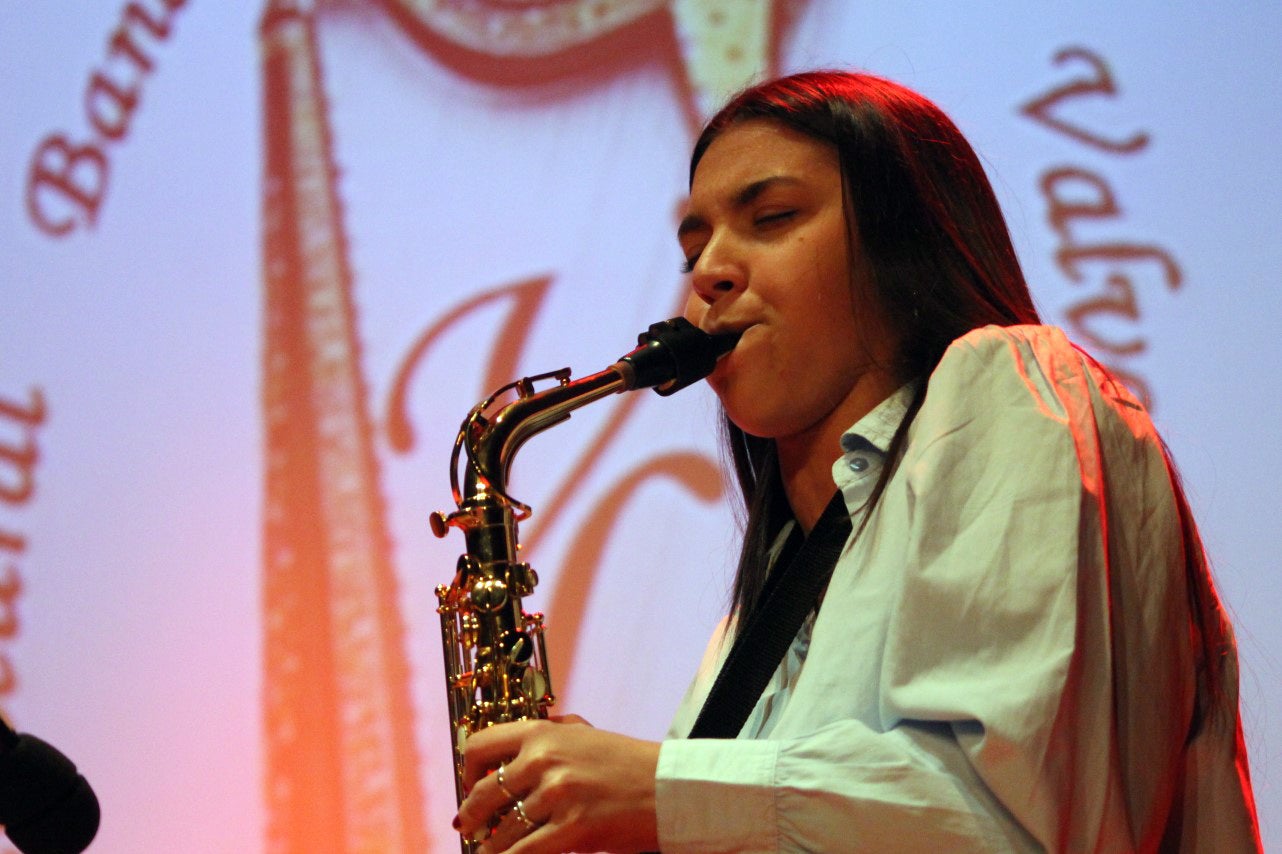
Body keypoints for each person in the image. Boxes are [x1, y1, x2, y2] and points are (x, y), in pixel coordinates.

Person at [454, 70, 1262, 852]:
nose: (708, 272)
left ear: (902, 244)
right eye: (692, 247)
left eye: (770, 217)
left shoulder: (1009, 379)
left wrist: (660, 790)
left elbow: (1007, 821)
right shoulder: (769, 590)